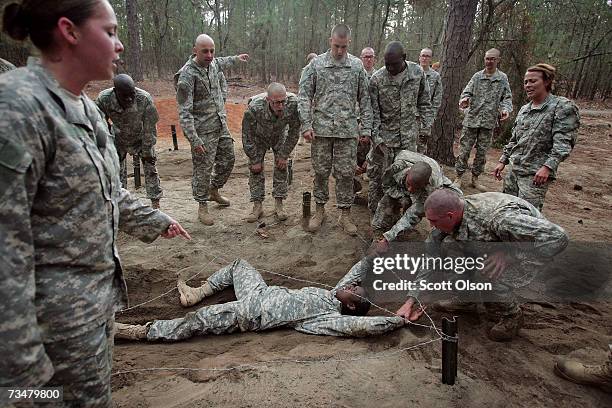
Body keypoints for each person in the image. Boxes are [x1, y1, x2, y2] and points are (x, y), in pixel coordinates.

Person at [0, 1, 190, 406]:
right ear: (69, 31)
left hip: (90, 318)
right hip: (40, 337)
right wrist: (21, 368)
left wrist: (154, 219)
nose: (119, 45)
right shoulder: (17, 108)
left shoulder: (85, 109)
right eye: (109, 32)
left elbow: (108, 191)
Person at [396, 190, 568, 341]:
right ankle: (466, 299)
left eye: (433, 221)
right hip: (494, 243)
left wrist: (510, 255)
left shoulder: (501, 219)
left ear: (450, 215)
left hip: (530, 247)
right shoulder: (449, 221)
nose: (431, 226)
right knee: (450, 248)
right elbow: (430, 258)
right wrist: (411, 300)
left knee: (488, 274)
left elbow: (558, 238)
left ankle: (511, 317)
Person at [115, 258, 424, 341]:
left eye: (354, 290)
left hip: (250, 314)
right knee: (239, 265)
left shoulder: (329, 318)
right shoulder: (334, 293)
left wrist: (396, 320)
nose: (352, 285)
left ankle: (142, 331)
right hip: (259, 294)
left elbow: (363, 328)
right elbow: (356, 270)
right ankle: (199, 291)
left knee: (198, 321)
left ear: (352, 305)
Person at [298, 24, 372, 235]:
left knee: (346, 174)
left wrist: (365, 127)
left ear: (349, 42)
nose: (340, 51)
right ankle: (319, 211)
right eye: (336, 46)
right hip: (320, 131)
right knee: (320, 173)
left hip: (347, 132)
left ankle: (345, 214)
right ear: (330, 40)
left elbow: (365, 100)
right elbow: (304, 96)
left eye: (344, 46)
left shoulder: (357, 66)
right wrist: (305, 124)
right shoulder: (316, 65)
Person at [175, 34, 249, 225]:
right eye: (204, 51)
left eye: (212, 51)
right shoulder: (187, 76)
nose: (209, 55)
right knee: (203, 169)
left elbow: (221, 61)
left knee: (228, 160)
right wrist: (194, 139)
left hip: (220, 124)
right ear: (194, 51)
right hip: (202, 131)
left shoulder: (213, 63)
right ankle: (202, 206)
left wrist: (235, 59)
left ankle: (214, 190)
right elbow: (184, 112)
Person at [493, 63, 579, 210]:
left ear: (546, 81)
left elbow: (564, 143)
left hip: (535, 175)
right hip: (515, 170)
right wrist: (503, 160)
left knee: (527, 215)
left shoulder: (562, 107)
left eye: (533, 81)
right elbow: (515, 139)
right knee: (507, 210)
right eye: (526, 82)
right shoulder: (525, 109)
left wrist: (547, 167)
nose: (528, 85)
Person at [367, 41, 432, 215]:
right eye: (386, 64)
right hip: (384, 142)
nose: (390, 68)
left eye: (394, 64)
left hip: (409, 140)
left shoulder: (417, 73)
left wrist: (425, 129)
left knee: (406, 178)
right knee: (378, 178)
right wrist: (377, 140)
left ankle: (400, 214)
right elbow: (372, 114)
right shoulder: (377, 79)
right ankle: (376, 216)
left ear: (404, 58)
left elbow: (425, 103)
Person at [370, 150, 459, 251]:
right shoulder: (396, 168)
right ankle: (378, 233)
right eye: (408, 184)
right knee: (386, 201)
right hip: (405, 175)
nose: (410, 190)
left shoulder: (432, 187)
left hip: (434, 180)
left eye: (415, 187)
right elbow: (387, 186)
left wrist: (389, 238)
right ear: (408, 173)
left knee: (445, 206)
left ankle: (400, 231)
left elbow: (414, 214)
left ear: (425, 184)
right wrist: (402, 196)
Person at [96, 74, 163, 208]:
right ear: (116, 92)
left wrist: (147, 149)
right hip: (118, 139)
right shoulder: (105, 98)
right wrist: (106, 141)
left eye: (131, 94)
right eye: (124, 95)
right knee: (116, 173)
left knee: (150, 169)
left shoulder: (144, 98)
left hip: (141, 138)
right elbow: (97, 121)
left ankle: (156, 204)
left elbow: (150, 127)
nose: (129, 98)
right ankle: (121, 205)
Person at [454, 48, 513, 191]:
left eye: (492, 59)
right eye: (487, 58)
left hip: (488, 122)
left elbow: (507, 98)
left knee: (481, 153)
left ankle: (475, 178)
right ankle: (458, 177)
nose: (489, 61)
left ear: (498, 60)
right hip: (472, 119)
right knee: (464, 150)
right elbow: (466, 93)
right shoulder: (477, 77)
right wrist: (465, 100)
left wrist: (505, 109)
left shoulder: (502, 78)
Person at [242, 83, 300, 222]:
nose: (280, 106)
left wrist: (284, 154)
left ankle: (279, 205)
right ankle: (257, 206)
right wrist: (254, 158)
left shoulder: (293, 104)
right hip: (258, 136)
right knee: (255, 169)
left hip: (279, 135)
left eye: (283, 101)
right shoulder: (254, 108)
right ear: (268, 100)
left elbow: (294, 132)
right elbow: (246, 135)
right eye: (276, 103)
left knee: (281, 166)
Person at [417, 48, 443, 153]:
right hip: (410, 116)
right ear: (419, 57)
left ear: (430, 59)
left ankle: (419, 168)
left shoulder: (435, 76)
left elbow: (437, 98)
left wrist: (431, 116)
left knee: (421, 145)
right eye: (423, 55)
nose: (424, 58)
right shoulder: (412, 73)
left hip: (425, 117)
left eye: (427, 56)